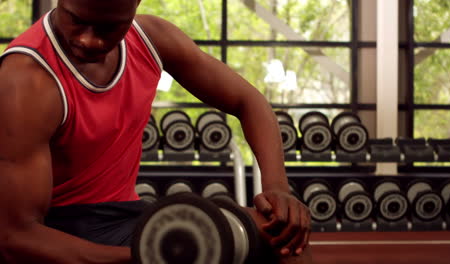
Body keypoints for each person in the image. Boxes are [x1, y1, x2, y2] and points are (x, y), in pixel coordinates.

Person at [0, 0, 311, 263]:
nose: (88, 40)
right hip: (60, 228)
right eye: (76, 20)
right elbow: (15, 236)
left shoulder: (152, 38)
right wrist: (155, 252)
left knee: (279, 235)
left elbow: (249, 102)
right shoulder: (26, 81)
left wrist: (278, 187)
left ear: (135, 7)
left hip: (125, 214)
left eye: (109, 28)